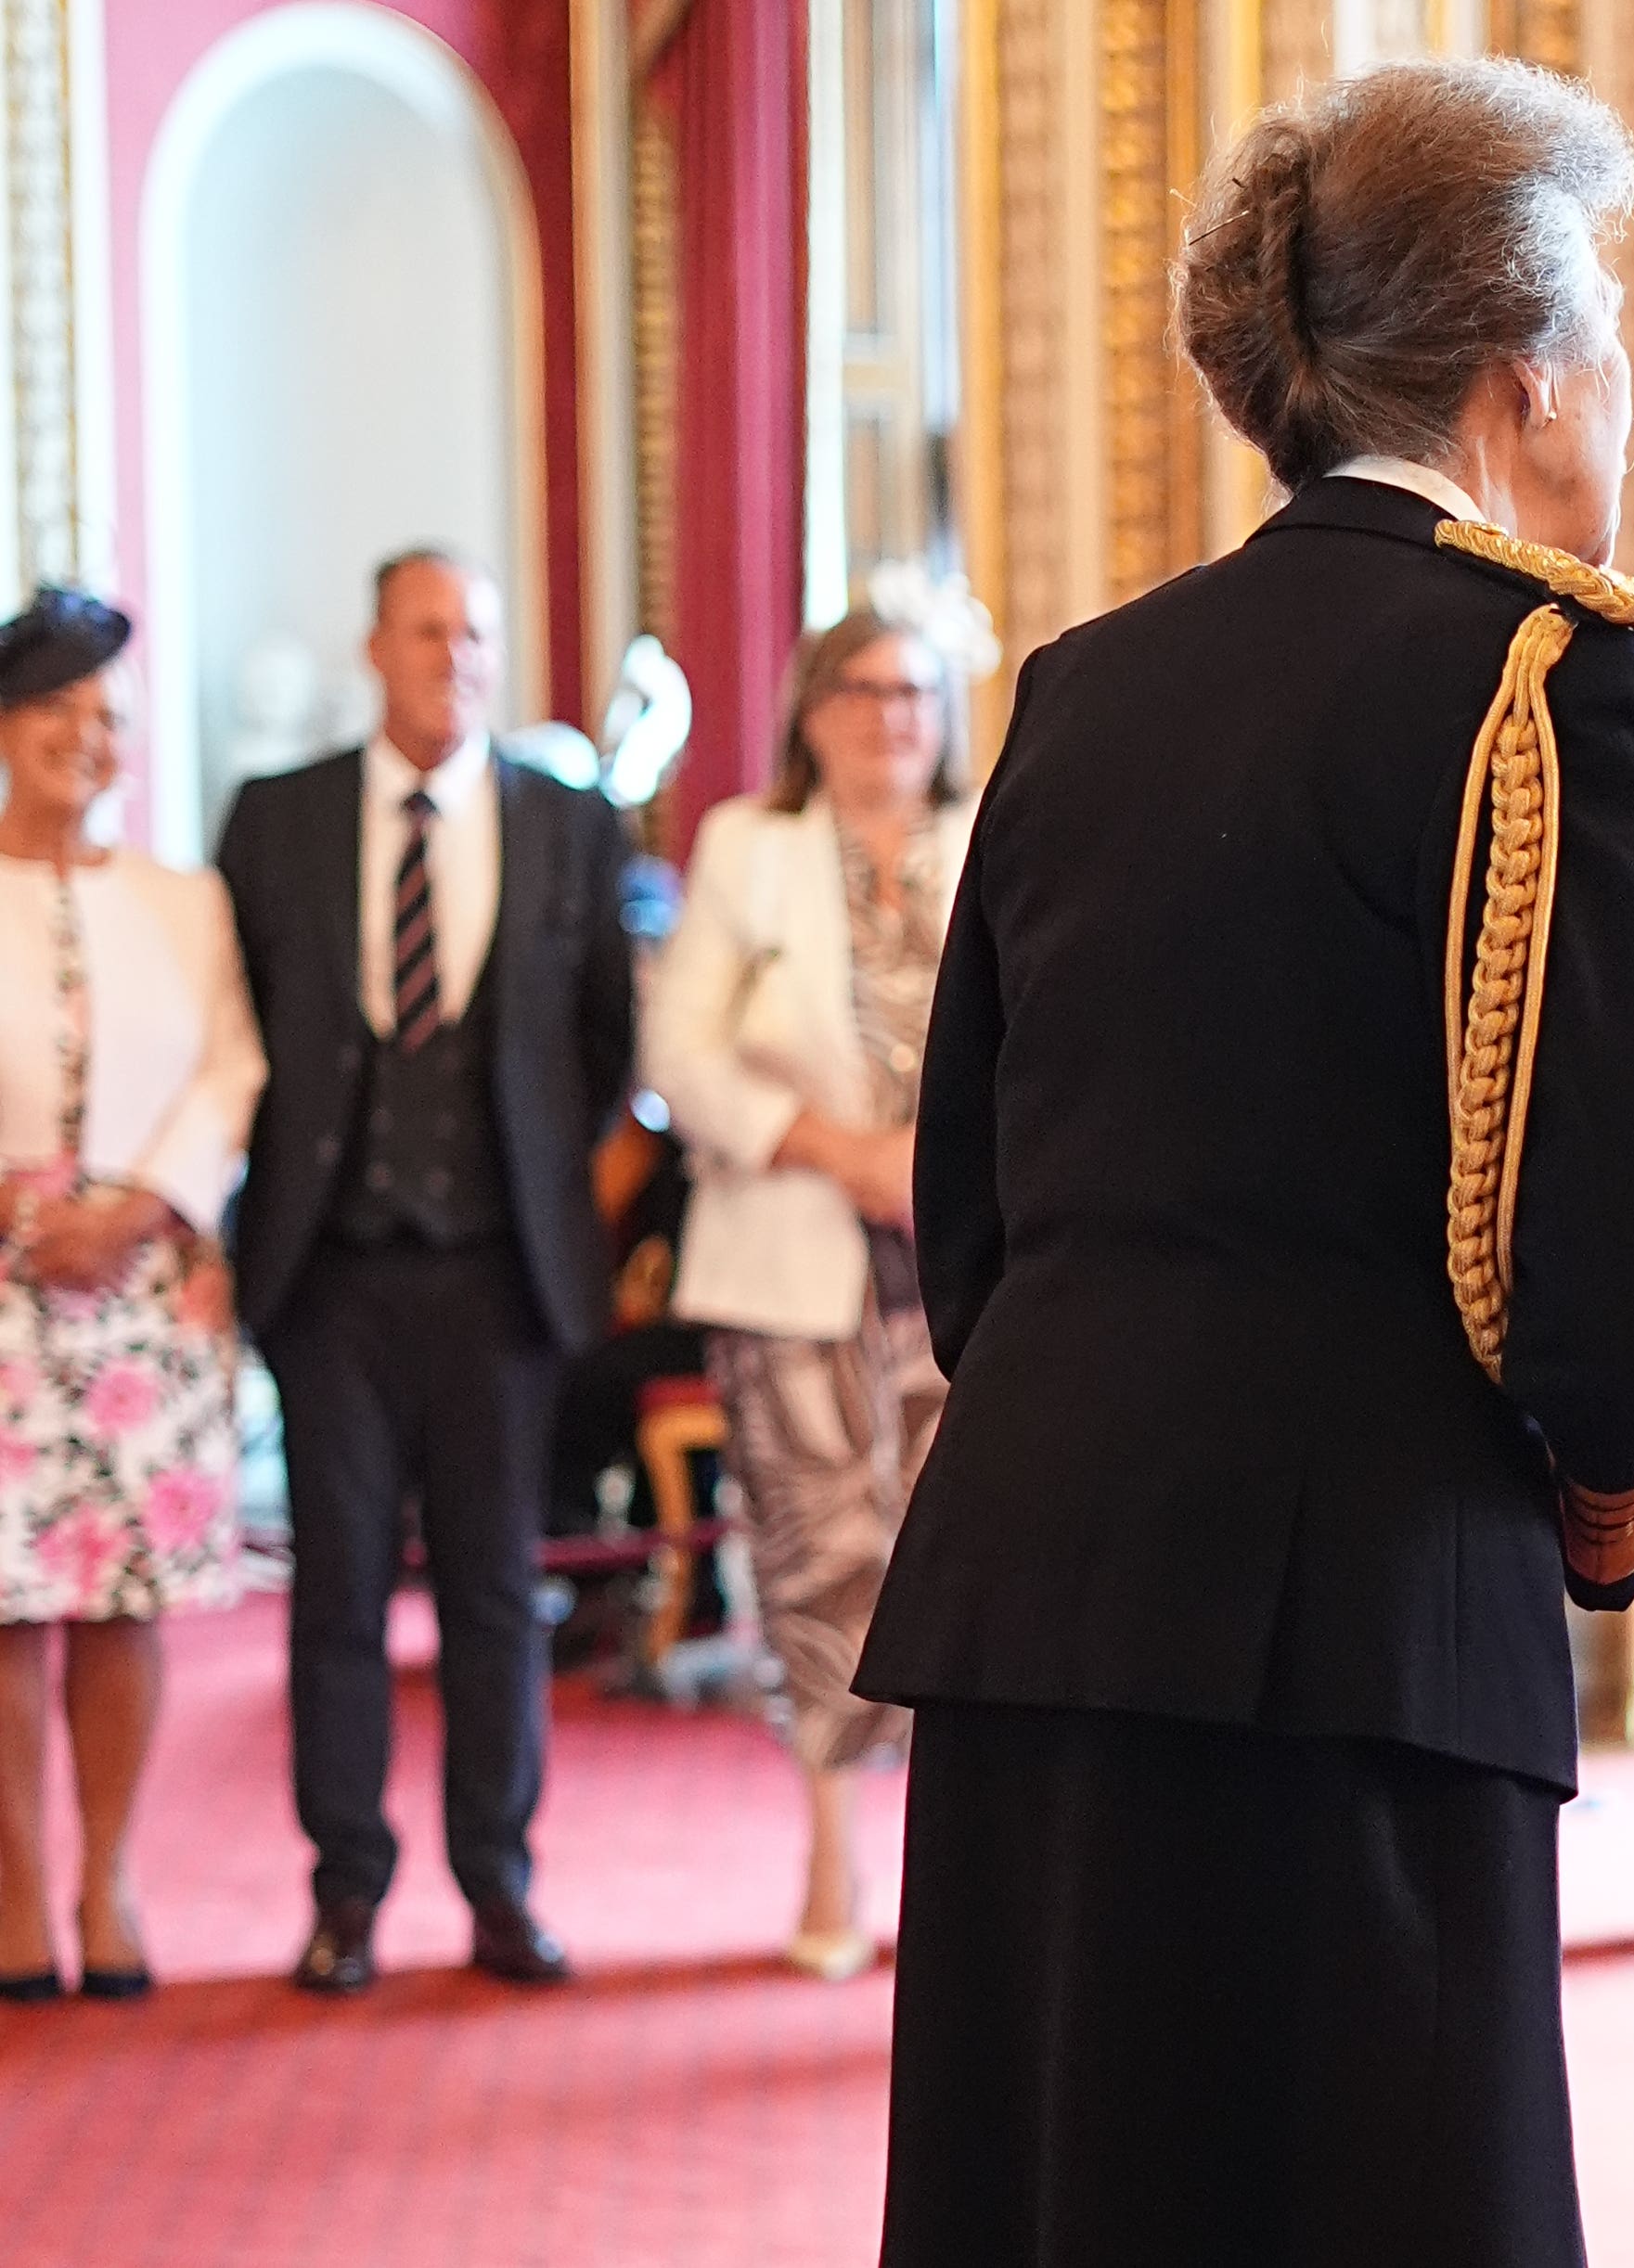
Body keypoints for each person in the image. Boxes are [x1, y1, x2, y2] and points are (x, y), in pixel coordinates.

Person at [853, 58, 1634, 2268]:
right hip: (1366, 1616)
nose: (1620, 383)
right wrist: (1605, 1510)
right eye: (1609, 328)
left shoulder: (1085, 682)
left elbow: (972, 1204)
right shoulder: (1555, 679)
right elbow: (1618, 1275)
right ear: (1527, 377)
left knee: (1064, 2201)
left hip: (1032, 1584)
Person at [217, 550, 636, 1995]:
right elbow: (248, 1027)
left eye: (477, 634)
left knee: (492, 1589)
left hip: (496, 1278)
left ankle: (498, 1883)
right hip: (327, 1277)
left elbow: (603, 1044)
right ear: (374, 644)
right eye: (427, 630)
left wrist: (518, 1171)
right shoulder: (274, 819)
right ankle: (345, 1890)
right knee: (334, 1594)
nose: (454, 656)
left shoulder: (572, 823)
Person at [643, 606, 970, 1980]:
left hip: (969, 1268)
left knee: (968, 1566)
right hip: (793, 1254)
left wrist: (939, 1158)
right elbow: (683, 1048)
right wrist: (844, 1152)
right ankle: (833, 1854)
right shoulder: (747, 847)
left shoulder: (990, 835)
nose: (890, 714)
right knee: (821, 1555)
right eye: (862, 688)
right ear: (811, 708)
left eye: (915, 691)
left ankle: (960, 1868)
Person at [0, 590, 266, 2003]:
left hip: (145, 1283)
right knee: (3, 1608)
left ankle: (105, 1877)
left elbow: (231, 1067)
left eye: (108, 716)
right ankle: (10, 1889)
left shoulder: (182, 898)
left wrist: (142, 1205)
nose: (86, 739)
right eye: (59, 711)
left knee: (120, 1601)